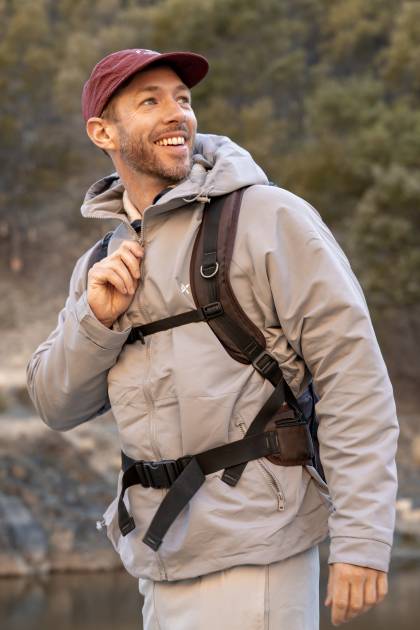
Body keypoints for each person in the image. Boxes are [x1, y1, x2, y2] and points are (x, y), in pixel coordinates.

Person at [27, 48, 399, 629]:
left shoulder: (268, 218)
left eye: (183, 99)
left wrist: (363, 539)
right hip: (159, 562)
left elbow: (354, 379)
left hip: (258, 556)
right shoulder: (100, 263)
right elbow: (55, 405)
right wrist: (95, 321)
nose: (177, 113)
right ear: (103, 132)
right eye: (150, 102)